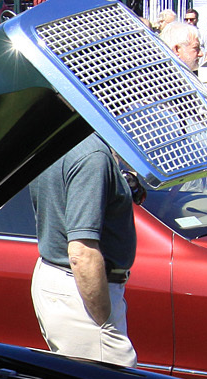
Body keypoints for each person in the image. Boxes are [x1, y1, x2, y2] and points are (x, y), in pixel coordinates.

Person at [28, 136, 138, 367]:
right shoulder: (92, 156)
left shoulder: (59, 139)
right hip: (80, 286)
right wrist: (105, 323)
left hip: (59, 279)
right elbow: (81, 252)